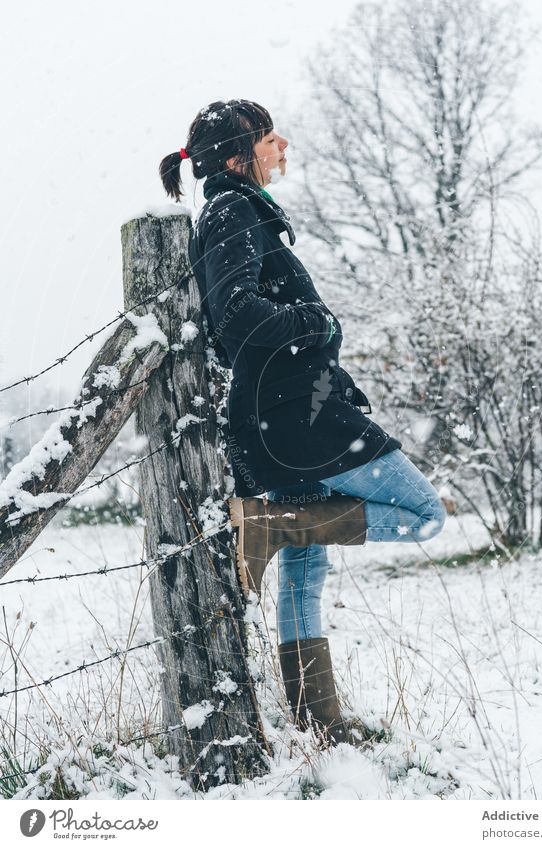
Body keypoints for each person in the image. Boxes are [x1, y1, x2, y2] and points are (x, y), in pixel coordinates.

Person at [159, 99, 450, 746]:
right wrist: (315, 323)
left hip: (282, 413)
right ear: (239, 156)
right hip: (301, 411)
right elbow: (236, 315)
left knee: (307, 567)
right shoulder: (235, 208)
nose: (283, 142)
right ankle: (266, 525)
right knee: (423, 512)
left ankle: (319, 718)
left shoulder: (233, 209)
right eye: (269, 137)